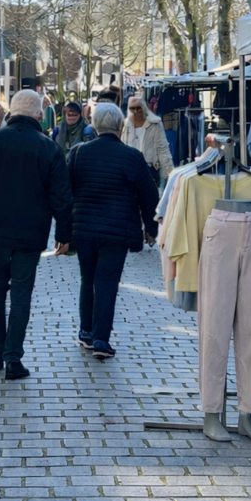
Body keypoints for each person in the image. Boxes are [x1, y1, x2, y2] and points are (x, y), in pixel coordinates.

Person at [0, 89, 73, 380]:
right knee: (21, 293)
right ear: (38, 114)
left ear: (11, 112)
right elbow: (61, 197)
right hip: (30, 234)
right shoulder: (48, 148)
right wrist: (64, 233)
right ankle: (13, 358)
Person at [69, 103, 160, 359]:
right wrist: (151, 228)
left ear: (95, 125)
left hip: (84, 229)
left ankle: (86, 332)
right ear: (121, 126)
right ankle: (101, 341)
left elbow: (65, 192)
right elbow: (149, 196)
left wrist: (64, 231)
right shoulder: (132, 156)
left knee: (88, 279)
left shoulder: (78, 153)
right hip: (117, 231)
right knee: (107, 282)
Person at [120, 96, 174, 186]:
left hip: (149, 172)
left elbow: (163, 150)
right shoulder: (125, 125)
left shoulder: (155, 124)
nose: (135, 111)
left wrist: (167, 178)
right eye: (132, 108)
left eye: (138, 108)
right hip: (128, 173)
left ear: (143, 108)